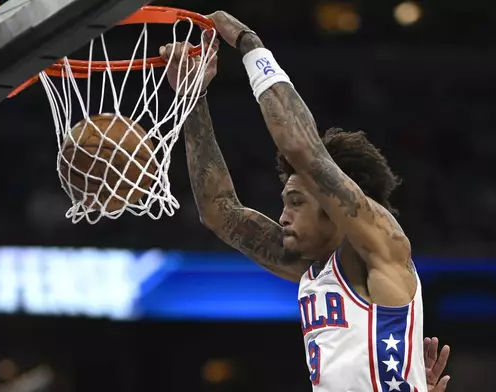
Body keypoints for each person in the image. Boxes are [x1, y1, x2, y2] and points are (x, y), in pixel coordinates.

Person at [159, 10, 452, 392]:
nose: (282, 215)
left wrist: (250, 45)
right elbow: (220, 213)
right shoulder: (311, 270)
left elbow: (301, 147)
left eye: (296, 202)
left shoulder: (380, 249)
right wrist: (192, 97)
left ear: (334, 207)